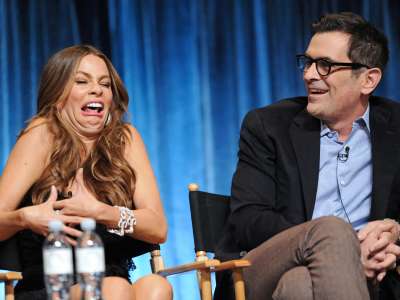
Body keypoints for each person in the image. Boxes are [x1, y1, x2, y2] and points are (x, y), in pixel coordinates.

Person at [215, 12, 400, 300]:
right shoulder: (268, 126)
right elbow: (249, 219)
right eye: (308, 62)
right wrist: (345, 250)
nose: (309, 74)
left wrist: (395, 233)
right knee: (330, 231)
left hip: (373, 278)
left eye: (325, 65)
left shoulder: (396, 128)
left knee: (299, 285)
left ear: (368, 80)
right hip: (260, 269)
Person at [0, 45, 172, 300]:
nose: (97, 90)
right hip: (51, 287)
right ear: (58, 94)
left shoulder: (125, 140)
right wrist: (24, 218)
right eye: (82, 81)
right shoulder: (42, 134)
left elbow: (158, 228)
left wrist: (102, 212)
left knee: (156, 288)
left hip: (114, 283)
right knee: (114, 288)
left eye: (105, 84)